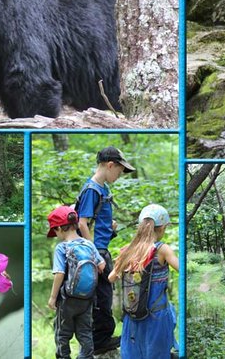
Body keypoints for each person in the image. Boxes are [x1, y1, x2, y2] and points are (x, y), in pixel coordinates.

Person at [75, 146, 135, 354]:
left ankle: (101, 338)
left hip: (102, 249)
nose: (119, 176)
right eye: (119, 171)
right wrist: (94, 254)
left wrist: (110, 226)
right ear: (110, 165)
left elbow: (97, 220)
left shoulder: (103, 190)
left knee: (105, 295)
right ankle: (99, 341)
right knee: (102, 297)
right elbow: (82, 224)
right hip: (96, 252)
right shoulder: (92, 189)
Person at [109, 204, 179, 359]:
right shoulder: (162, 249)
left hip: (133, 315)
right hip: (157, 315)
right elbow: (182, 269)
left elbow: (111, 277)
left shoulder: (128, 250)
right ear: (162, 228)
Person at [47, 205, 106, 359]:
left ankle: (63, 356)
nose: (55, 234)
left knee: (63, 333)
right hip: (87, 298)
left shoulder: (62, 248)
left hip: (67, 299)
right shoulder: (89, 244)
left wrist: (53, 297)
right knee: (85, 333)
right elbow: (102, 266)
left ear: (60, 228)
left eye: (54, 230)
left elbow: (59, 274)